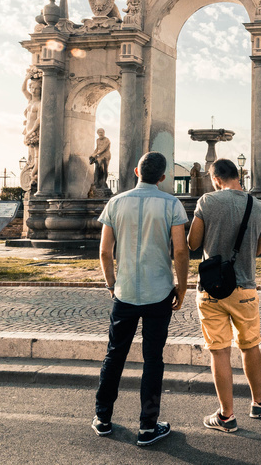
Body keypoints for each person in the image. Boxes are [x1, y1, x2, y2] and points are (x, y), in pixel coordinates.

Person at [93, 152, 189, 447]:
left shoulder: (116, 202)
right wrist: (182, 287)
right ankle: (148, 426)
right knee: (153, 359)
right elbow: (181, 251)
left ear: (136, 171)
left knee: (115, 354)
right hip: (159, 292)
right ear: (163, 177)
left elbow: (105, 252)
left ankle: (103, 417)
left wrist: (111, 283)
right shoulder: (172, 203)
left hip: (124, 293)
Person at [188, 158, 261, 433]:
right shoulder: (259, 206)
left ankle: (226, 416)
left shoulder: (206, 202)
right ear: (238, 175)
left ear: (215, 179)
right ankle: (259, 402)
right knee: (250, 346)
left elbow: (192, 243)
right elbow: (258, 250)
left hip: (211, 290)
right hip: (245, 287)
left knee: (219, 350)